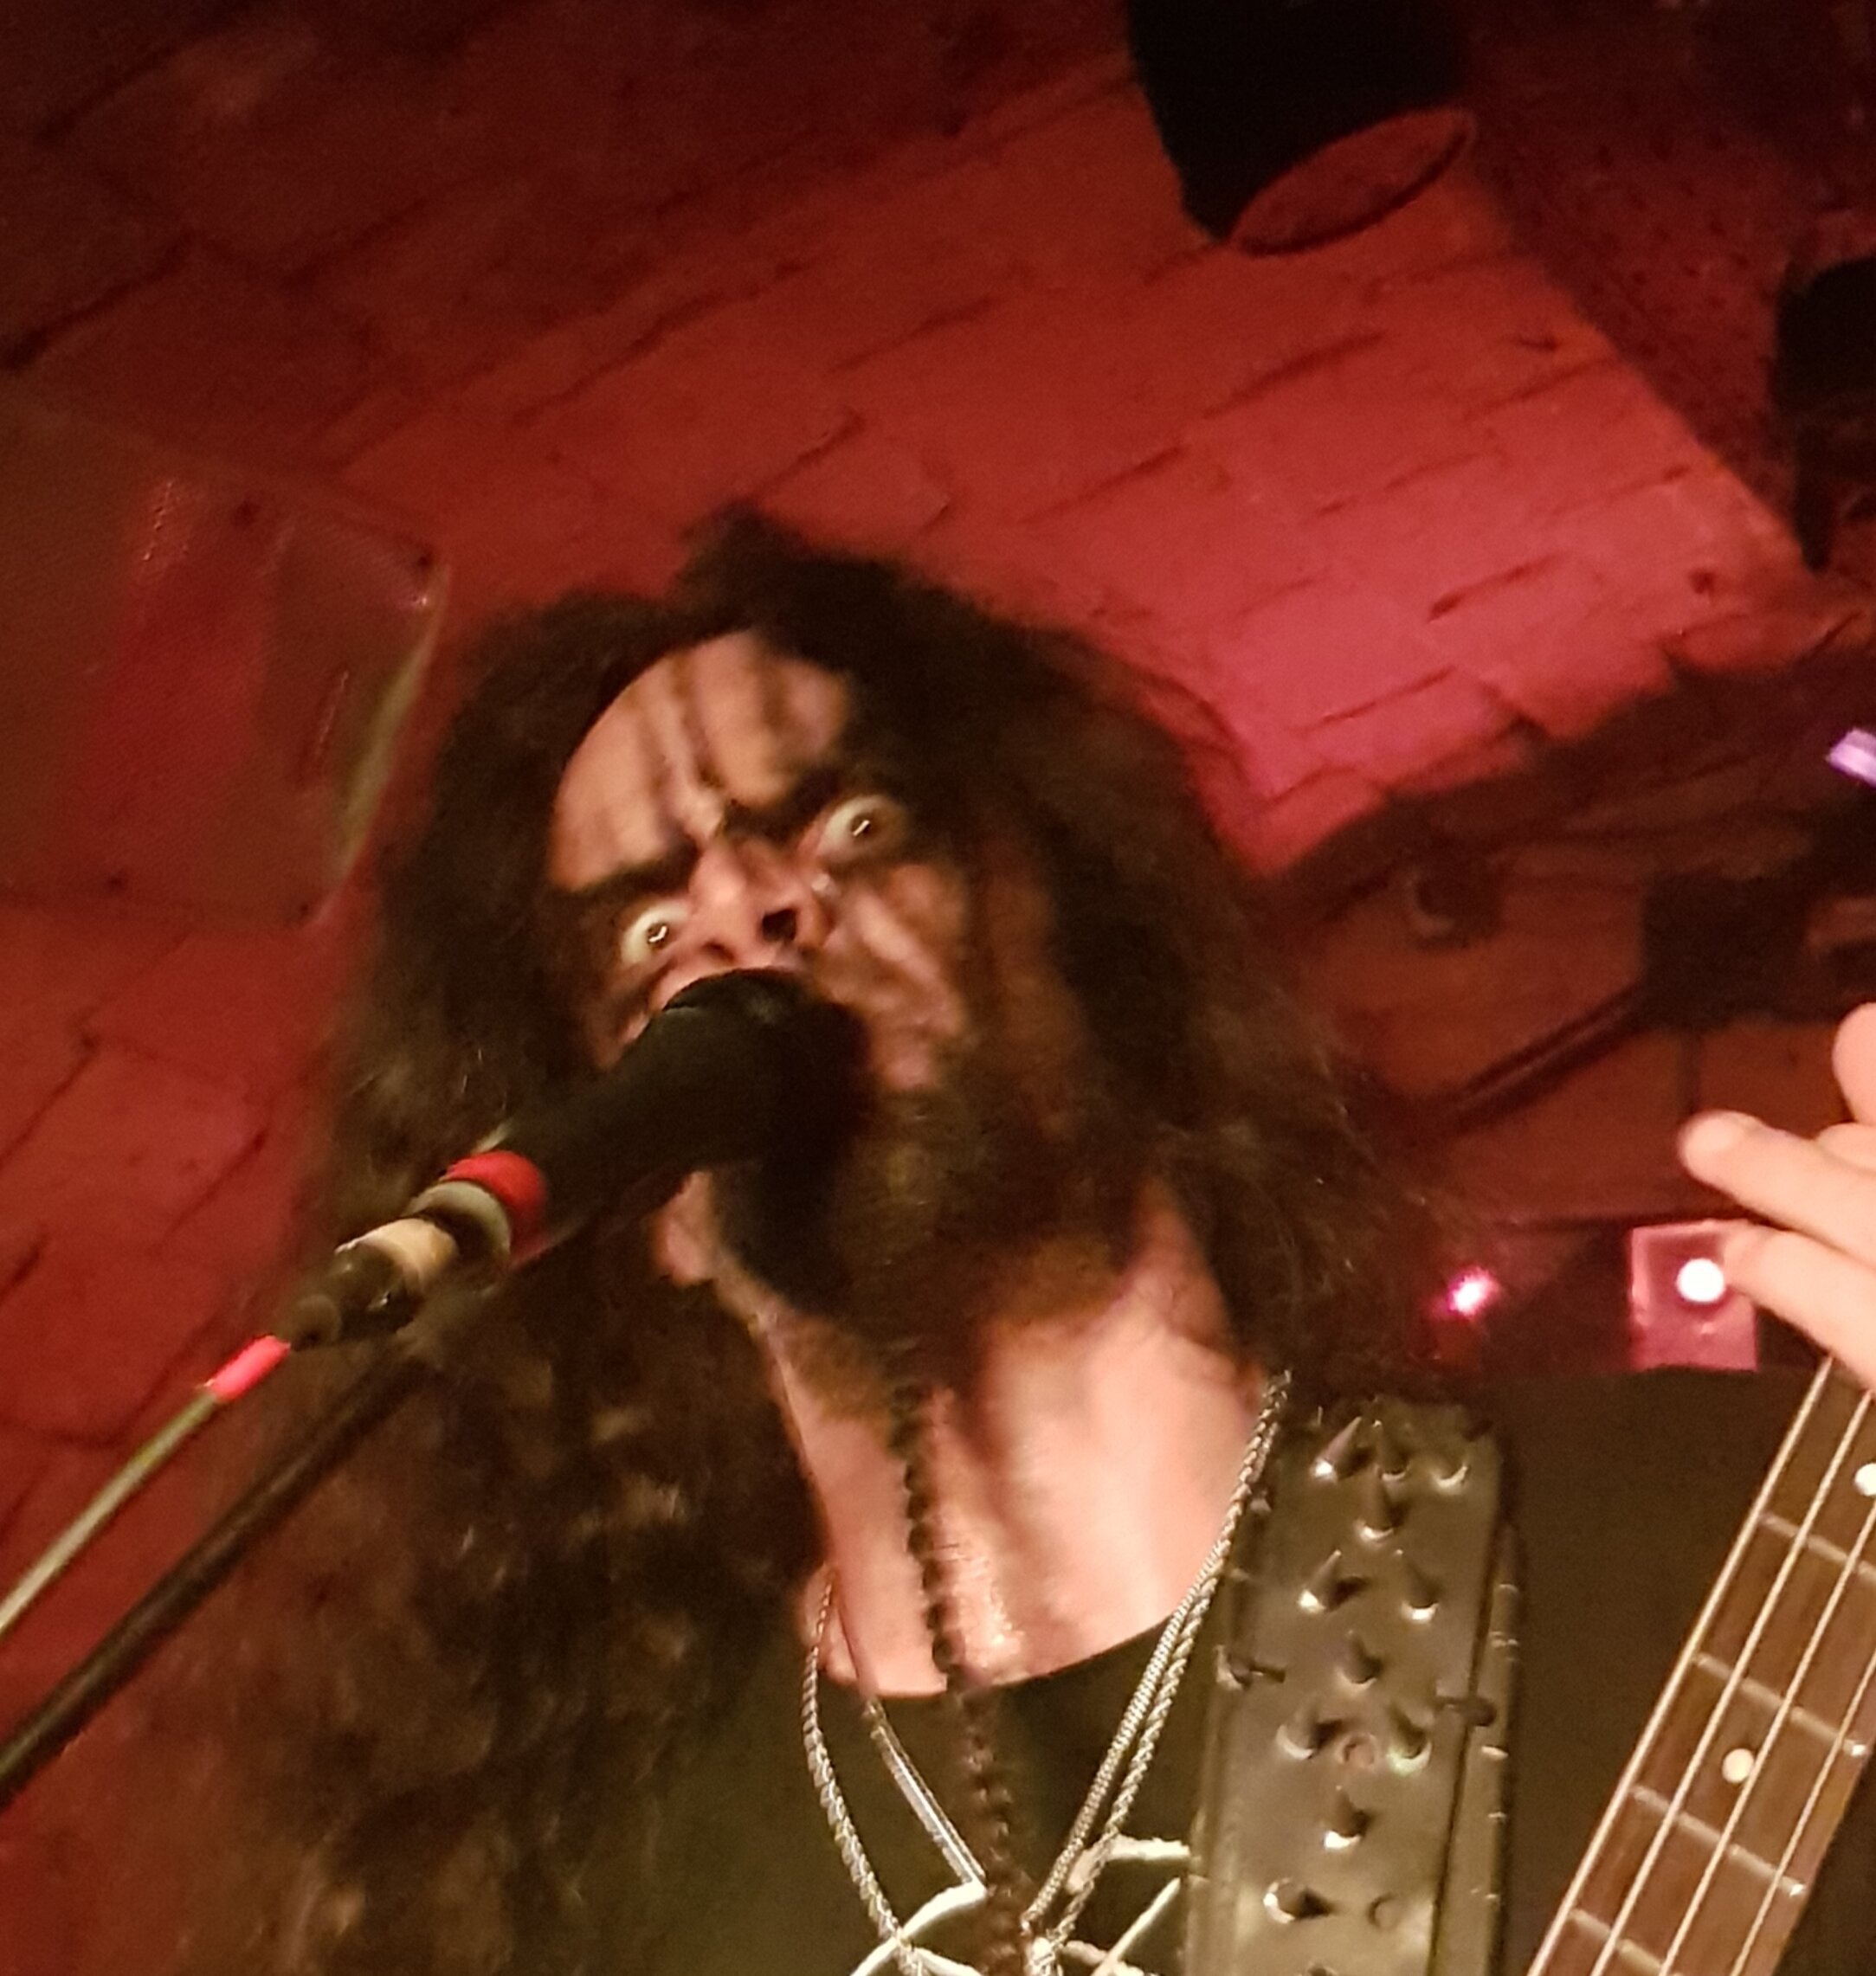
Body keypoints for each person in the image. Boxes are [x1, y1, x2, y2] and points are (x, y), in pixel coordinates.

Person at [183, 512, 1876, 1976]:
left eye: (854, 826)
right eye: (648, 935)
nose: (750, 912)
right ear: (650, 1218)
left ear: (1095, 938)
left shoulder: (1754, 1552)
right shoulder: (585, 1895)